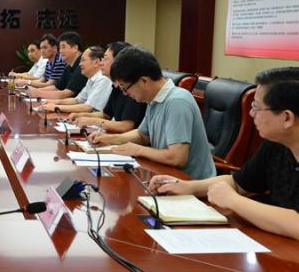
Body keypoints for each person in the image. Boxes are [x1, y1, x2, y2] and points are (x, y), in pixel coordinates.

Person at [150, 67, 299, 272]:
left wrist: (232, 200)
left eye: (257, 107)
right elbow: (239, 183)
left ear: (287, 118)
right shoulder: (279, 140)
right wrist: (187, 187)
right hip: (285, 250)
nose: (251, 114)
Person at [91, 46, 215, 179]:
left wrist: (139, 150)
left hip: (190, 183)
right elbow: (142, 135)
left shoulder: (177, 102)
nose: (126, 94)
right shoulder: (153, 99)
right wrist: (109, 139)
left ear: (144, 81)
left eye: (125, 88)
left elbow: (177, 157)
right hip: (164, 175)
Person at [69, 41, 146, 133]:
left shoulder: (132, 86)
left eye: (105, 59)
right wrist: (81, 115)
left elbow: (126, 126)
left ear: (119, 62)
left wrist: (93, 121)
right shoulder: (116, 86)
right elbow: (106, 115)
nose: (101, 63)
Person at [44, 46, 111, 114]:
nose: (80, 64)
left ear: (96, 62)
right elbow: (77, 100)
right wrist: (54, 102)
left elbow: (89, 107)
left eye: (83, 60)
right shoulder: (91, 78)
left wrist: (56, 107)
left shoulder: (103, 79)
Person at [27, 31, 87, 100]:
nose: (60, 51)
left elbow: (67, 93)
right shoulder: (69, 66)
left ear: (75, 48)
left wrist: (38, 93)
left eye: (63, 47)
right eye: (60, 48)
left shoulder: (82, 65)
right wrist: (34, 91)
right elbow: (56, 87)